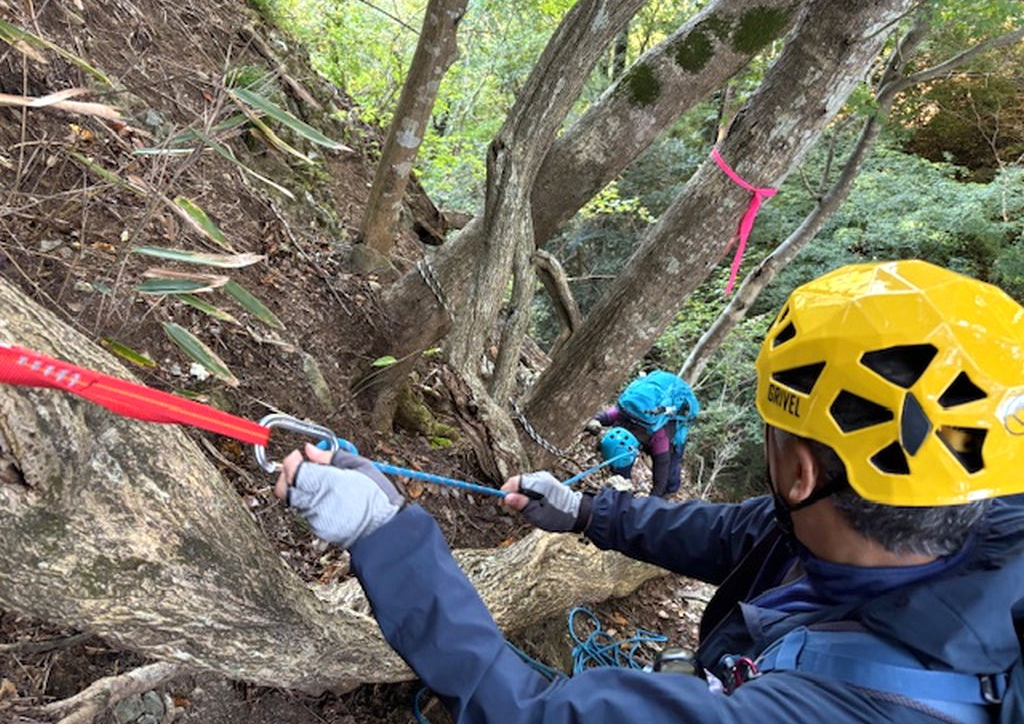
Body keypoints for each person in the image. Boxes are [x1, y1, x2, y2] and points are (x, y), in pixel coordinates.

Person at [275, 260, 1024, 723]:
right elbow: (738, 535)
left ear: (801, 470)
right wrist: (587, 512)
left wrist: (384, 534)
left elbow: (531, 717)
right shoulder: (949, 532)